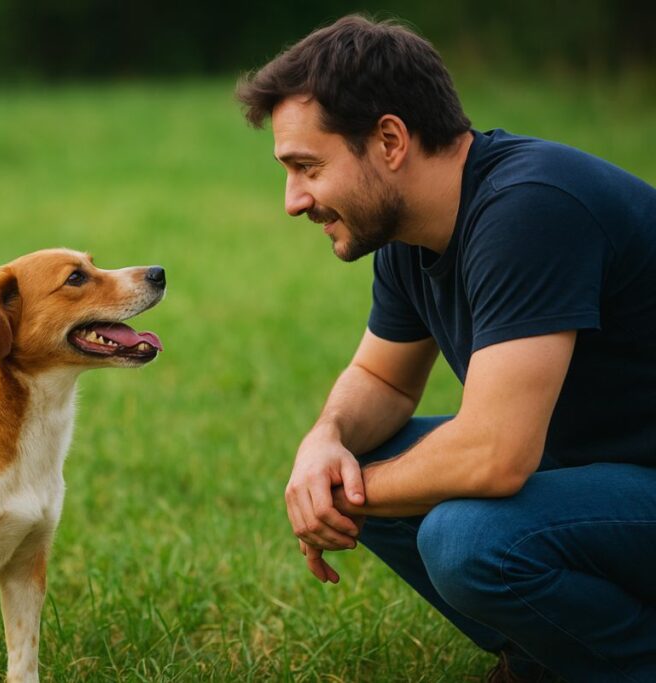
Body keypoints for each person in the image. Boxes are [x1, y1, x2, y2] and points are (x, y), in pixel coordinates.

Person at [236, 14, 656, 683]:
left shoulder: (529, 208)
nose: (294, 201)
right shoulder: (411, 233)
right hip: (604, 476)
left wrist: (348, 495)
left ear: (391, 140)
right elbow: (385, 379)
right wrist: (325, 440)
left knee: (467, 538)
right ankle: (553, 654)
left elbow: (496, 456)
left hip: (636, 480)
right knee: (360, 454)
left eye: (307, 167)